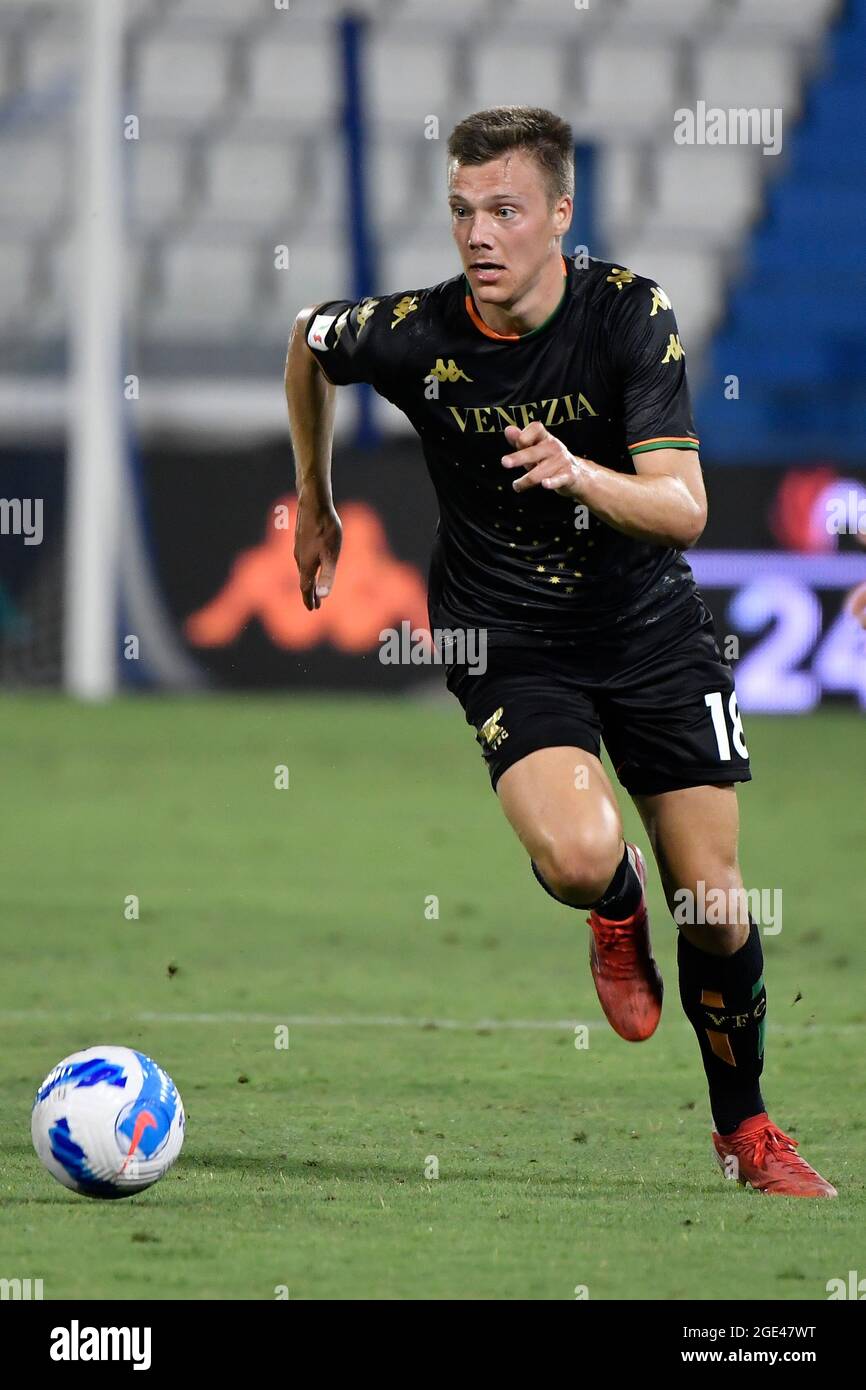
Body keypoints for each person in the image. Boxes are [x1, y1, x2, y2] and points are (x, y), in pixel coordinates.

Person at [285, 106, 835, 1198]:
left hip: (647, 630)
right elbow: (307, 339)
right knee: (583, 854)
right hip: (509, 639)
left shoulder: (627, 317)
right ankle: (610, 903)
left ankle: (745, 1133)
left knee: (717, 910)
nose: (478, 235)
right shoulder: (412, 331)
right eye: (460, 211)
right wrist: (314, 495)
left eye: (503, 210)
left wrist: (577, 471)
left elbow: (680, 510)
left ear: (558, 216)